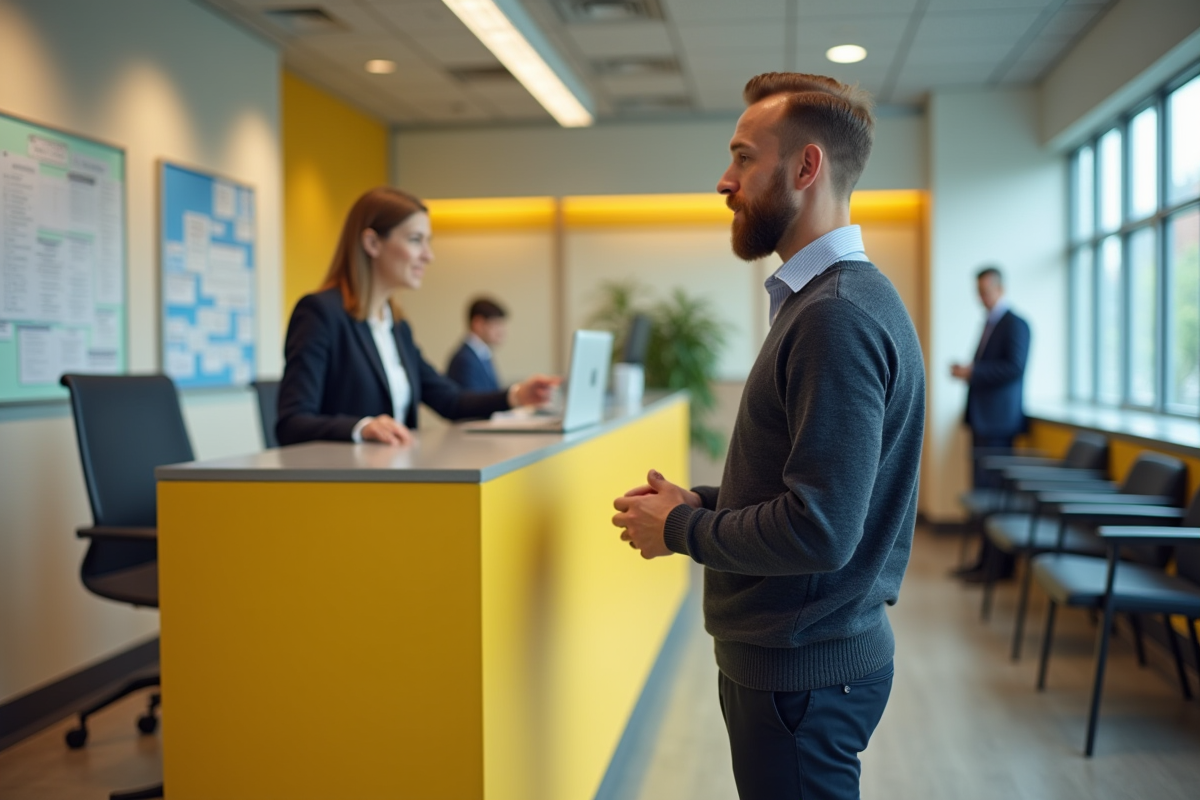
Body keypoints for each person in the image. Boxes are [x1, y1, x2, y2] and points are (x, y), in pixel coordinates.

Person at [611, 73, 925, 800]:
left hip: (802, 674)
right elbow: (816, 485)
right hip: (806, 663)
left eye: (743, 157)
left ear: (806, 167)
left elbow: (820, 530)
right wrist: (707, 501)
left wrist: (684, 528)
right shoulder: (826, 302)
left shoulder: (834, 316)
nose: (725, 180)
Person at [277, 187, 556, 446]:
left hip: (395, 477)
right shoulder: (320, 313)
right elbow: (292, 422)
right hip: (344, 484)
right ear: (372, 243)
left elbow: (450, 401)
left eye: (428, 242)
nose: (428, 256)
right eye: (415, 240)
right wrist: (361, 427)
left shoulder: (397, 326)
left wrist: (517, 395)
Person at [949, 266, 1031, 581]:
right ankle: (984, 561)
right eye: (978, 291)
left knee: (994, 495)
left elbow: (1014, 368)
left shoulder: (1016, 324)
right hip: (983, 422)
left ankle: (998, 567)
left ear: (1000, 289)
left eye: (985, 291)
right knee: (982, 494)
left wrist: (973, 372)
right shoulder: (990, 323)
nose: (981, 297)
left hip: (999, 424)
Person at [446, 297, 507, 392]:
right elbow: (474, 401)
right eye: (496, 324)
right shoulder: (464, 360)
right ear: (478, 324)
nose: (502, 331)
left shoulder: (482, 354)